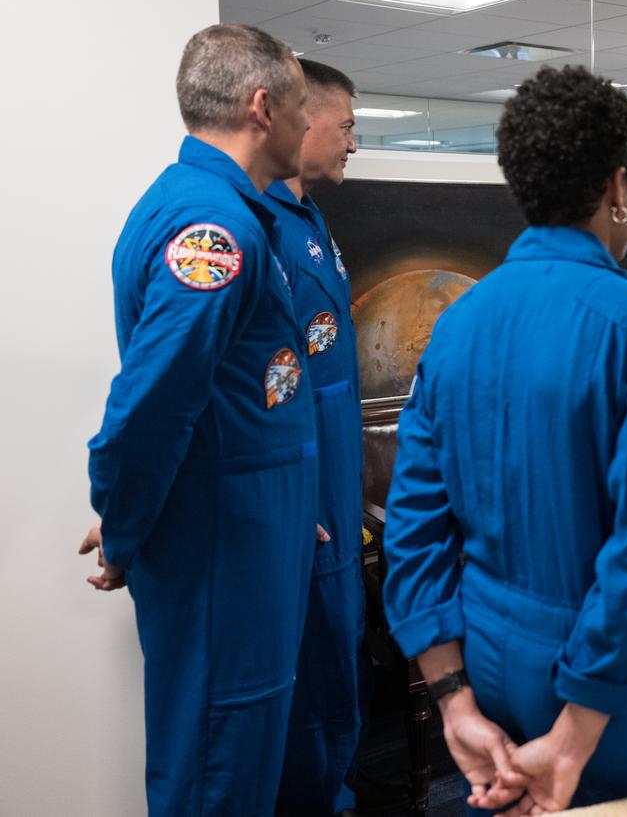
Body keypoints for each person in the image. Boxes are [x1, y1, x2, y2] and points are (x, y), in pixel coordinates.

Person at [380, 65, 627, 814]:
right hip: (596, 665)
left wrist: (454, 701)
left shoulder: (455, 324)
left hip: (485, 654)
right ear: (617, 187)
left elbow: (413, 522)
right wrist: (575, 733)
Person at [80, 23, 319, 814]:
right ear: (261, 108)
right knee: (218, 768)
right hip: (226, 555)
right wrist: (125, 522)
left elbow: (232, 398)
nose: (309, 124)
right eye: (301, 106)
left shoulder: (212, 207)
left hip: (246, 530)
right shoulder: (213, 231)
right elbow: (148, 408)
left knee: (237, 760)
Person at [262, 59, 365, 815]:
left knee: (339, 642)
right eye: (349, 126)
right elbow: (264, 381)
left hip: (335, 463)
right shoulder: (257, 224)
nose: (354, 142)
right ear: (304, 118)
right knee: (310, 653)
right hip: (304, 472)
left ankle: (335, 784)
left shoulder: (311, 218)